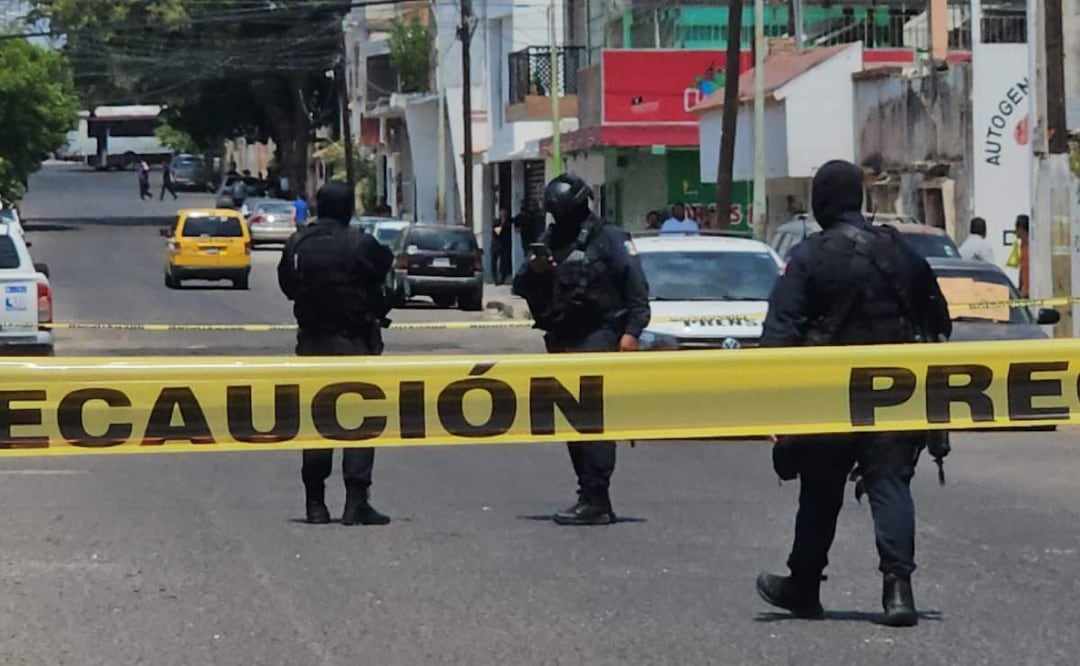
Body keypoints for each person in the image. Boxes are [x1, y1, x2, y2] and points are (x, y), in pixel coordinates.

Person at [756, 159, 952, 627]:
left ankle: (804, 584)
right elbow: (938, 322)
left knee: (820, 493)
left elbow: (779, 336)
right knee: (890, 486)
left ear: (821, 203)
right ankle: (898, 592)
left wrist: (774, 406)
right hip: (894, 391)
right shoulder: (901, 252)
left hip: (828, 393)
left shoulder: (809, 257)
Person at [512, 173, 651, 526]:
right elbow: (520, 284)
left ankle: (597, 497)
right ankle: (587, 492)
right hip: (562, 338)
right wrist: (536, 269)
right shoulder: (550, 239)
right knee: (572, 420)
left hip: (599, 335)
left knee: (592, 418)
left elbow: (636, 291)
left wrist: (631, 335)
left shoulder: (610, 238)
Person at [277, 182, 396, 527]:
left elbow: (287, 286)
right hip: (354, 342)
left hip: (312, 343)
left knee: (317, 421)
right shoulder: (360, 242)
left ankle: (315, 503)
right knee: (359, 420)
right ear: (347, 209)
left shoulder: (298, 242)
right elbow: (384, 267)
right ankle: (355, 502)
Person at [491, 207, 511, 285]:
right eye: (502, 214)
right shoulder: (496, 222)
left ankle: (503, 279)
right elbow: (497, 232)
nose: (504, 215)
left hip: (504, 245)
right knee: (494, 262)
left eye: (505, 214)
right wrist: (502, 223)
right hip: (496, 245)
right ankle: (495, 279)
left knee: (504, 262)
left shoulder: (508, 222)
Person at [1016, 214, 1030, 297]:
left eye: (1017, 227)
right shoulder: (1022, 245)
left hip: (1029, 291)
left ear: (1021, 228)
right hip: (1023, 290)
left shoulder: (1031, 247)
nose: (1015, 230)